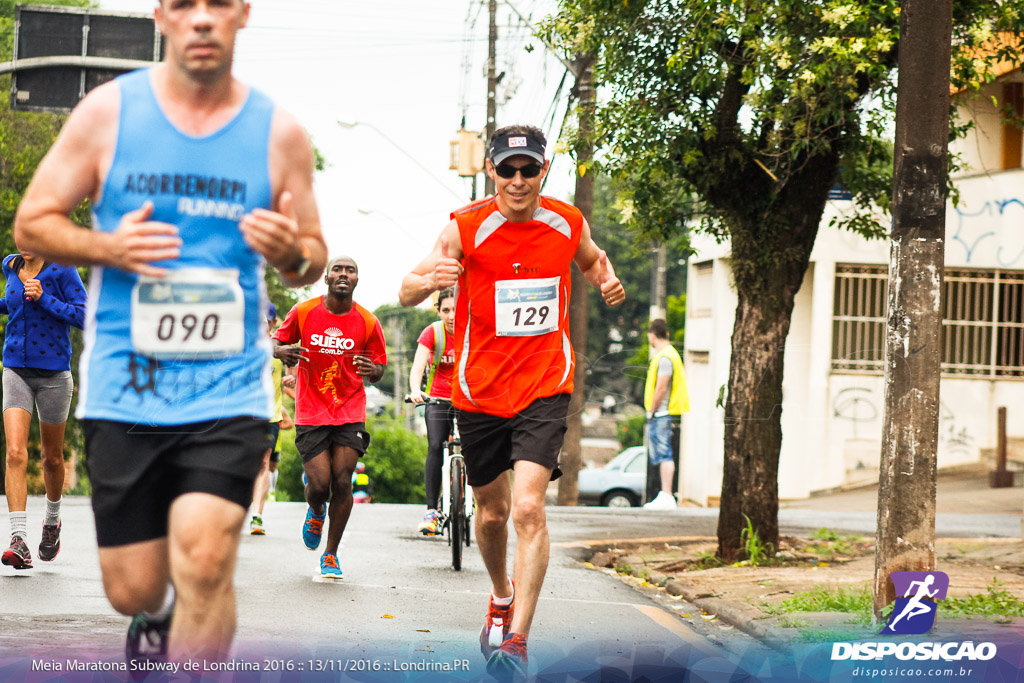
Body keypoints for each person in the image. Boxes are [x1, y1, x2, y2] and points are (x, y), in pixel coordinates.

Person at [12, 0, 327, 665]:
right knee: (133, 587)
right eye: (185, 4)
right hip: (125, 386)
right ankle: (156, 612)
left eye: (218, 3)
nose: (202, 18)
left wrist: (289, 252)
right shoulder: (108, 114)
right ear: (161, 15)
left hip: (227, 387)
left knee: (207, 559)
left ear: (243, 13)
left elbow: (312, 258)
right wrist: (109, 246)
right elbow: (33, 222)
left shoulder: (279, 133)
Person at [398, 124, 625, 677]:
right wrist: (431, 283)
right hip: (479, 390)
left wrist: (607, 279)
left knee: (527, 508)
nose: (518, 180)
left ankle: (517, 642)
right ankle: (500, 593)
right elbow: (404, 288)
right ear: (492, 171)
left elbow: (594, 260)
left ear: (544, 170)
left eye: (529, 169)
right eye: (507, 169)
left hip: (546, 384)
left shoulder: (567, 222)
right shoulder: (464, 227)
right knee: (493, 512)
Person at [272, 256, 387, 579]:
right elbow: (274, 342)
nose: (343, 274)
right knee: (320, 485)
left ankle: (331, 554)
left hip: (350, 410)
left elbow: (379, 368)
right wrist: (279, 351)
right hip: (311, 409)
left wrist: (372, 370)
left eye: (350, 270)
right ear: (326, 277)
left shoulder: (367, 321)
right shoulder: (304, 312)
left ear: (356, 280)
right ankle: (316, 508)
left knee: (342, 480)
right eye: (337, 269)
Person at [0, 252, 86, 569]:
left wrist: (45, 298)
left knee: (51, 458)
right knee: (14, 452)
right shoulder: (11, 266)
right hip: (15, 371)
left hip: (54, 375)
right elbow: (11, 305)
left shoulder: (63, 270)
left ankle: (52, 523)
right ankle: (18, 539)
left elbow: (83, 315)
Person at [408, 287, 456, 535]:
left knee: (478, 447)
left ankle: (477, 497)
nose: (451, 315)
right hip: (438, 397)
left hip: (470, 398)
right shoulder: (433, 333)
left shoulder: (475, 330)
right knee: (436, 445)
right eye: (445, 310)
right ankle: (431, 511)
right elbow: (417, 368)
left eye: (456, 309)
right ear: (438, 311)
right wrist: (416, 390)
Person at [249, 302, 295, 535]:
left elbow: (292, 375)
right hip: (241, 416)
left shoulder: (280, 351)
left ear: (272, 325)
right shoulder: (242, 347)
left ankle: (257, 515)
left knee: (264, 463)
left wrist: (291, 380)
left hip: (270, 416)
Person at [642, 319, 689, 510]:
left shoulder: (664, 357)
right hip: (664, 412)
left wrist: (652, 410)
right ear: (667, 334)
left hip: (661, 413)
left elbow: (661, 387)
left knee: (664, 453)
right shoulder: (670, 354)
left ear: (652, 335)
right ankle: (665, 494)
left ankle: (667, 494)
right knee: (663, 453)